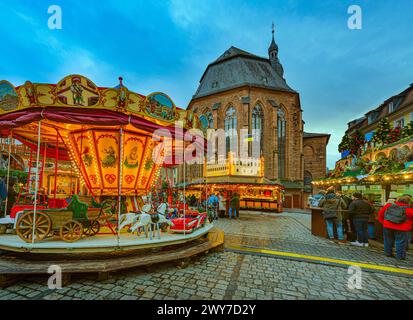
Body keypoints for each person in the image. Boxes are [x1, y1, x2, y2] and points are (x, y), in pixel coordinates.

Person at [377, 195, 413, 260]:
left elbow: (380, 214)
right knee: (400, 242)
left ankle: (388, 253)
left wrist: (383, 222)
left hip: (387, 226)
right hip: (402, 228)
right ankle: (400, 256)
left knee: (387, 240)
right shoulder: (409, 210)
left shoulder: (388, 206)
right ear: (409, 202)